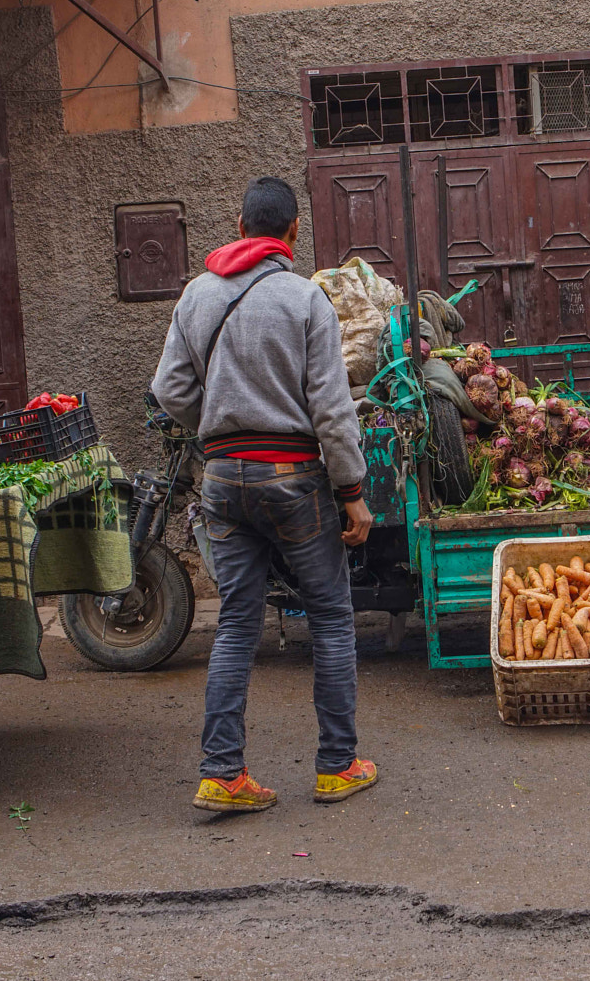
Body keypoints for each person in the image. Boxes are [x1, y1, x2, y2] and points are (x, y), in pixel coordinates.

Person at [151, 176, 378, 814]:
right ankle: (337, 766)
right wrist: (353, 491)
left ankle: (222, 772)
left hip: (222, 480)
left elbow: (170, 389)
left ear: (240, 222)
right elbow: (332, 411)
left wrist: (218, 425)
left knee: (236, 625)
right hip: (292, 480)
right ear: (294, 232)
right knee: (332, 616)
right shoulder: (305, 299)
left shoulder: (195, 295)